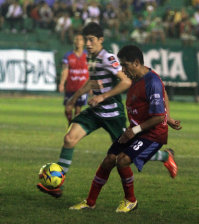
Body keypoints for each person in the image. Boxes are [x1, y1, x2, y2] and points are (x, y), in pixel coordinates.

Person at [69, 45, 181, 213]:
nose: (123, 69)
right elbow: (163, 94)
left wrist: (147, 126)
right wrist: (169, 116)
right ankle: (90, 202)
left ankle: (131, 200)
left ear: (136, 63)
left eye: (125, 65)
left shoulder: (152, 81)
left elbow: (158, 116)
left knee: (122, 160)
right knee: (109, 159)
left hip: (153, 134)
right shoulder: (137, 76)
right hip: (137, 129)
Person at [36, 22, 132, 197]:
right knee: (69, 139)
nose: (88, 44)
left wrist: (102, 96)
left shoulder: (108, 58)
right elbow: (92, 82)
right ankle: (57, 184)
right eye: (86, 40)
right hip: (95, 112)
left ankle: (164, 157)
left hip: (112, 114)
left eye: (91, 40)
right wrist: (72, 100)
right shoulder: (91, 57)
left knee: (128, 154)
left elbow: (126, 81)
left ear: (101, 40)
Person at [59, 33, 89, 124]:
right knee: (68, 108)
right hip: (70, 87)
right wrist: (61, 83)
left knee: (78, 110)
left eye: (80, 40)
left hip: (82, 87)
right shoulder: (68, 55)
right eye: (76, 39)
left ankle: (73, 127)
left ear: (83, 42)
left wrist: (91, 86)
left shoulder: (88, 56)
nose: (78, 42)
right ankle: (70, 122)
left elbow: (92, 71)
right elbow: (65, 70)